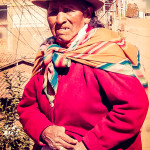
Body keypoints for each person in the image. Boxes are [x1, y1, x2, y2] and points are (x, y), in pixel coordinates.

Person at [17, 0, 149, 150]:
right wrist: (43, 130)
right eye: (53, 12)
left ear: (86, 14)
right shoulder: (48, 54)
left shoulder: (103, 53)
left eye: (68, 10)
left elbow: (132, 107)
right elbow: (27, 106)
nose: (60, 20)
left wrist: (89, 145)